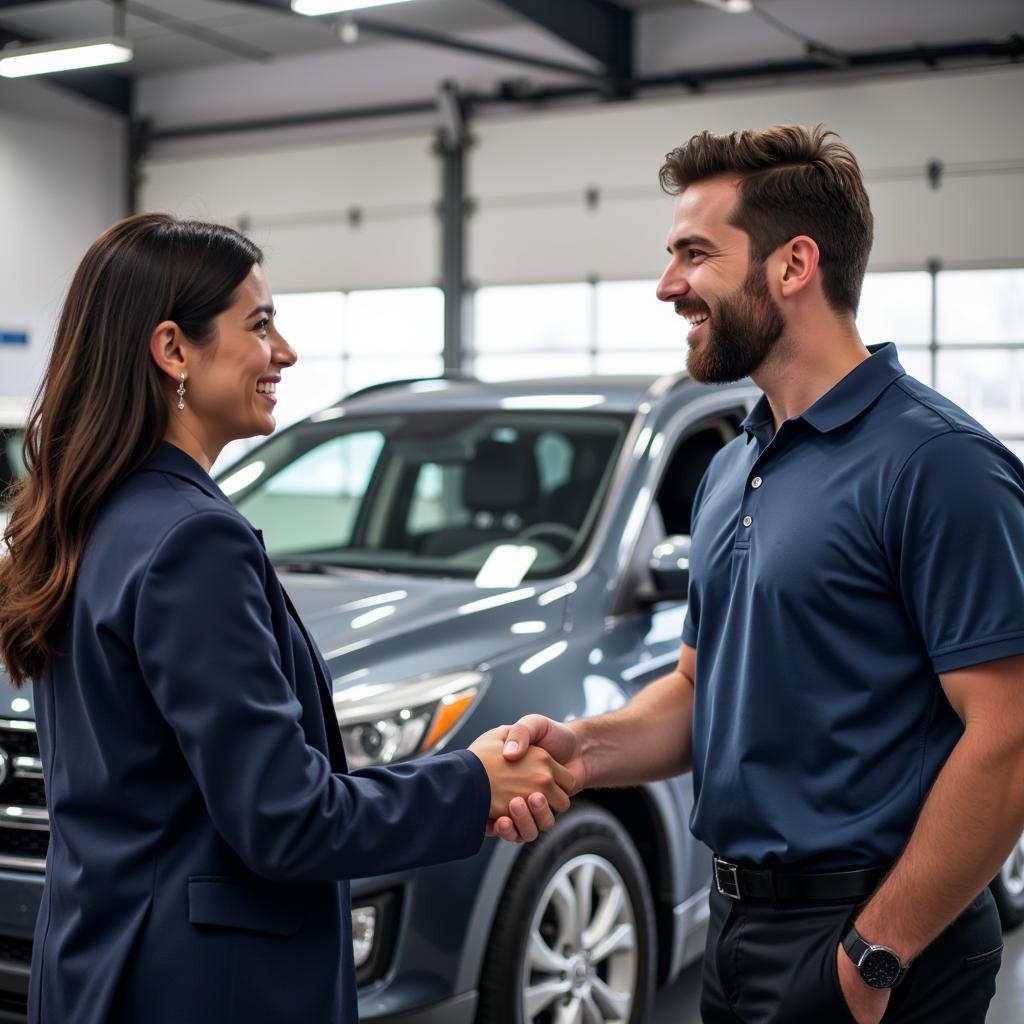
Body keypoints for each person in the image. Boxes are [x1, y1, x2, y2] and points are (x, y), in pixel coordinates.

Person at [493, 124, 1024, 1023]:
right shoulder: (737, 462)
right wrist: (587, 750)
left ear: (793, 265)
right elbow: (701, 689)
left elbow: (1008, 736)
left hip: (876, 938)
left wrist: (873, 957)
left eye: (694, 255)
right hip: (737, 931)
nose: (668, 286)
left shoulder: (938, 464)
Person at [0, 213, 572, 1024]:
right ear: (173, 351)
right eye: (259, 323)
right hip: (205, 988)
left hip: (99, 961)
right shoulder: (194, 539)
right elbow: (287, 822)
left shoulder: (94, 515)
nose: (286, 351)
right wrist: (472, 781)